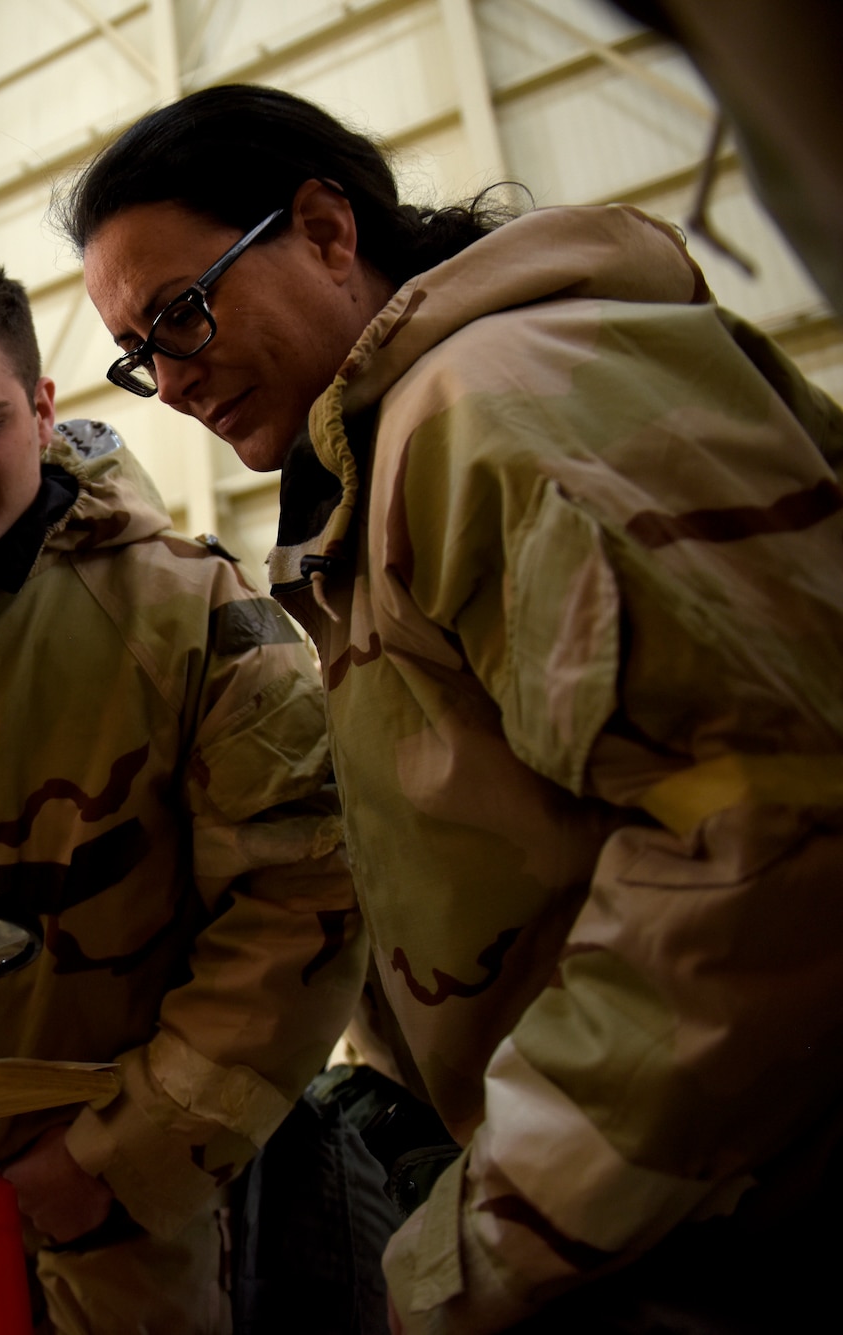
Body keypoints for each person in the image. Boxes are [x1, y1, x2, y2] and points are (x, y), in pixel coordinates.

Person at [68, 83, 843, 1333]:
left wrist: (505, 1234)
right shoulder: (381, 458)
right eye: (136, 351)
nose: (164, 381)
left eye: (181, 312)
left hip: (720, 1229)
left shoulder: (498, 402)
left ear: (326, 229)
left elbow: (772, 832)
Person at [0, 253, 364, 1335]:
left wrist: (116, 1158)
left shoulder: (194, 617)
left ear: (41, 410)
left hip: (159, 1215)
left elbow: (299, 915)